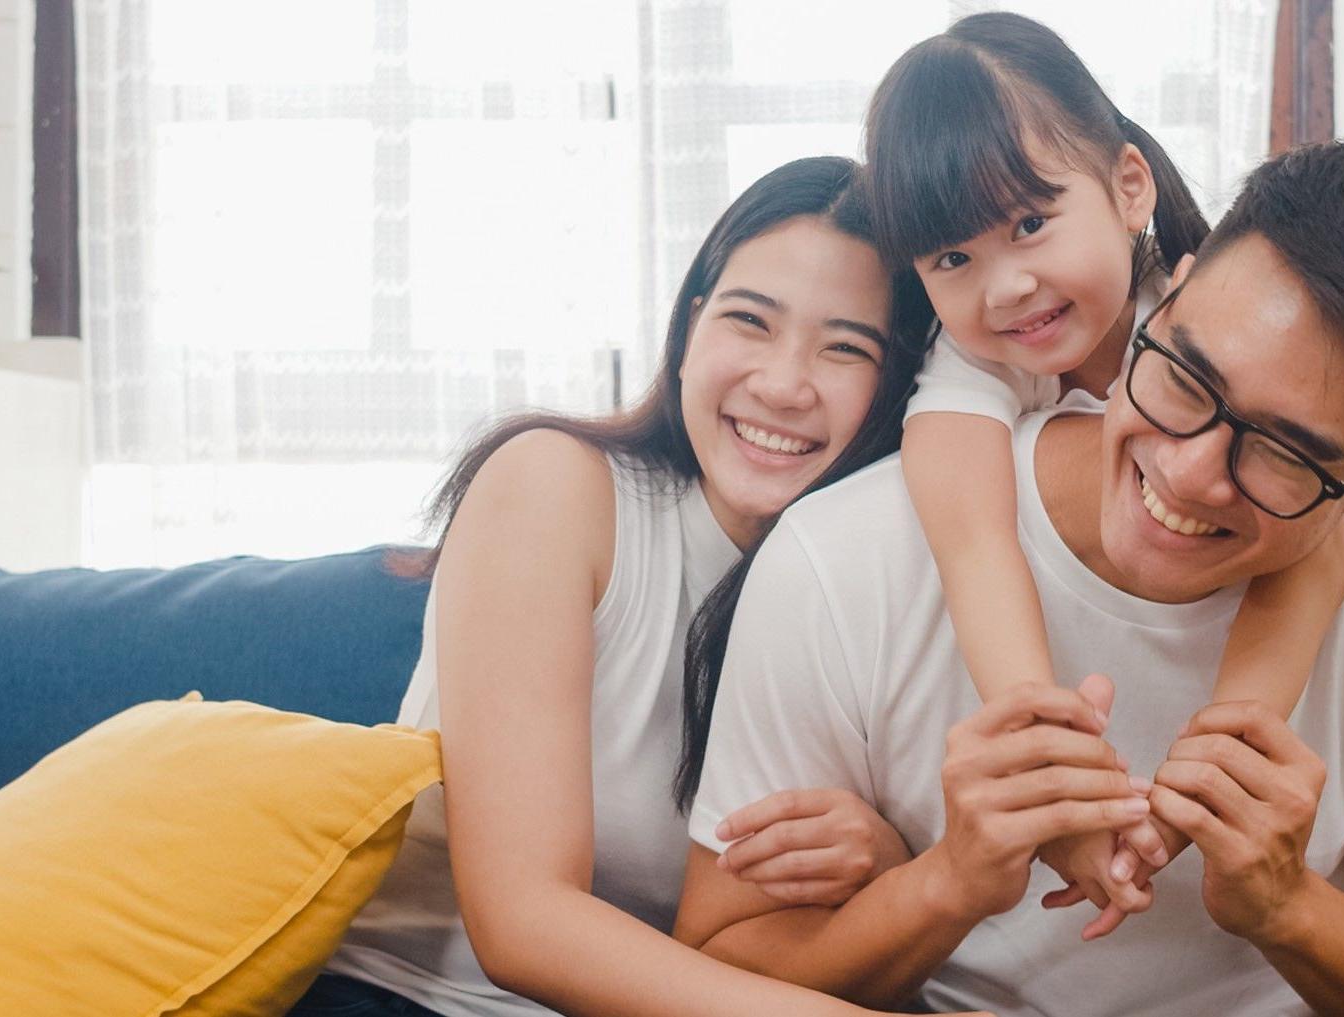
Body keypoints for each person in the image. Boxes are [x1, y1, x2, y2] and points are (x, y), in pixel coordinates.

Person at [675, 136, 1344, 1016]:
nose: (1187, 472)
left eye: (1286, 452)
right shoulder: (846, 554)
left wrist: (1292, 910)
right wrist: (949, 880)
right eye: (1184, 375)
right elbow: (716, 958)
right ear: (1162, 300)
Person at [303, 157, 985, 1017]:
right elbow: (522, 923)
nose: (782, 384)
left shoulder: (875, 590)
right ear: (691, 329)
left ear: (897, 390)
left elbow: (757, 950)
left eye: (846, 347)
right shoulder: (556, 486)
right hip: (409, 997)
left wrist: (889, 872)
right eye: (750, 321)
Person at [880, 11, 1344, 931]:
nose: (1005, 284)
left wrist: (1197, 796)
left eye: (1029, 220)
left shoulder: (1203, 319)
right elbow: (974, 542)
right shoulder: (968, 368)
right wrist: (1048, 768)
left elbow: (1318, 552)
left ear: (1129, 185)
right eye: (952, 257)